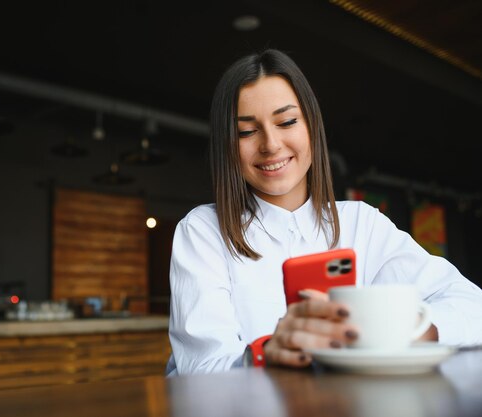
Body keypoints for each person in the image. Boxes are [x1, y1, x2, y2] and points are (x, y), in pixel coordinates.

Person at [166, 49, 482, 376]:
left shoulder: (361, 223)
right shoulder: (203, 230)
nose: (270, 144)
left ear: (312, 127)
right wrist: (264, 354)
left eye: (287, 121)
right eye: (247, 131)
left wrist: (413, 328)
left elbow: (474, 307)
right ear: (227, 145)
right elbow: (199, 369)